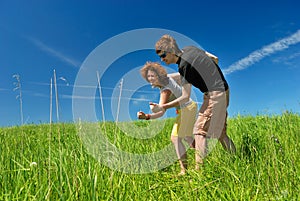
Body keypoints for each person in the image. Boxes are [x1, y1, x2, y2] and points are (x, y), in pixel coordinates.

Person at [153, 34, 236, 170]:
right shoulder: (190, 49)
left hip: (214, 94)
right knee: (220, 132)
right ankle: (236, 159)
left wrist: (164, 107)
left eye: (163, 56)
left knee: (199, 131)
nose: (163, 60)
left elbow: (185, 96)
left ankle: (199, 173)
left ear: (171, 51)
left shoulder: (184, 66)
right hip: (224, 90)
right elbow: (215, 58)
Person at [137, 61, 197, 175]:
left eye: (152, 76)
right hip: (188, 108)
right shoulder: (167, 82)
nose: (150, 79)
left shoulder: (165, 90)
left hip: (187, 109)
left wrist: (149, 115)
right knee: (188, 137)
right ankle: (200, 160)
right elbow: (183, 76)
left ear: (159, 75)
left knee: (175, 138)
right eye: (148, 76)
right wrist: (149, 115)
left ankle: (185, 170)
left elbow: (161, 112)